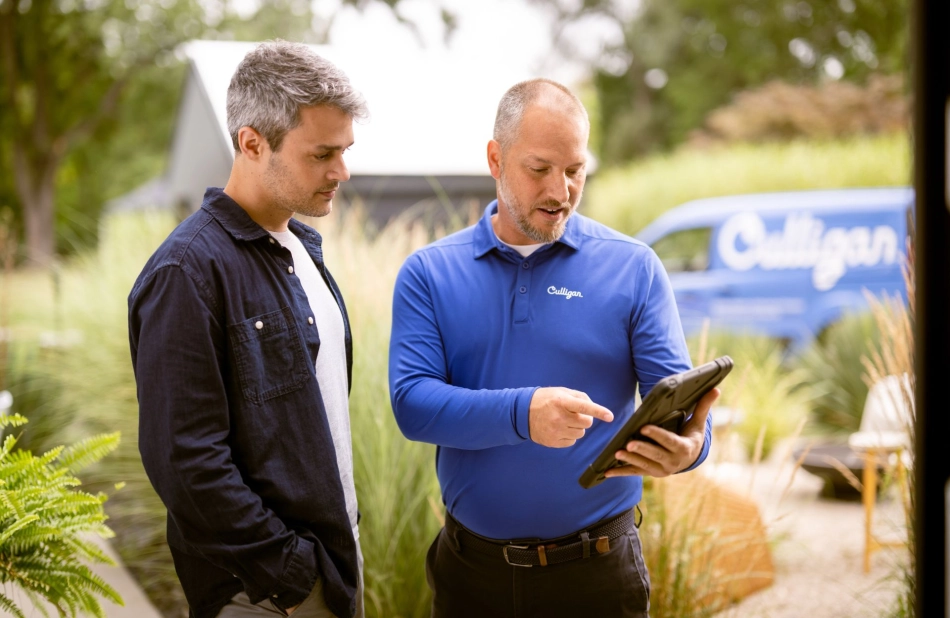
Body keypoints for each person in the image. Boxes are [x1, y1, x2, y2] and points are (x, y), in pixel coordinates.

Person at [388, 78, 720, 618]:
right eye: (540, 169)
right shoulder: (428, 273)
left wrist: (691, 452)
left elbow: (678, 409)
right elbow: (413, 405)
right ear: (496, 159)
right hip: (473, 579)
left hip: (600, 578)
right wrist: (524, 413)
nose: (560, 191)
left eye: (575, 170)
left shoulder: (633, 267)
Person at [129, 41, 367, 618]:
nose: (343, 172)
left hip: (330, 571)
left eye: (346, 151)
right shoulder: (186, 272)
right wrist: (290, 573)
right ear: (252, 143)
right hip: (263, 595)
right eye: (322, 154)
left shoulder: (300, 248)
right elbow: (186, 462)